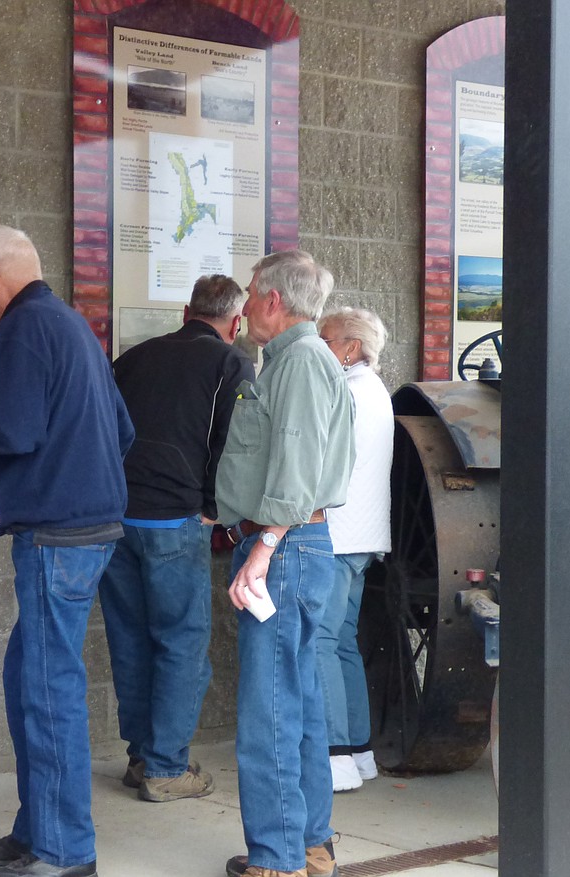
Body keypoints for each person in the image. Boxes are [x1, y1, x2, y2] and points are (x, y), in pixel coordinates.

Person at [0, 226, 134, 877]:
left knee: (47, 689)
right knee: (27, 675)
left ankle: (64, 853)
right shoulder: (71, 326)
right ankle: (38, 829)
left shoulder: (16, 332)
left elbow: (12, 428)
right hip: (90, 529)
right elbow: (123, 428)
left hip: (55, 536)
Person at [217, 250, 355, 877]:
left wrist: (263, 549)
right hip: (297, 544)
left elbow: (295, 470)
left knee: (268, 709)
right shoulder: (308, 358)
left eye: (250, 294)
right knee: (295, 701)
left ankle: (276, 860)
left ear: (274, 300)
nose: (244, 306)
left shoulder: (299, 360)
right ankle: (309, 844)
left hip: (286, 546)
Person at [99, 274, 255, 802]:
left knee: (130, 639)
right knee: (181, 644)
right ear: (235, 323)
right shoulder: (230, 363)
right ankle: (167, 768)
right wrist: (214, 509)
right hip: (175, 521)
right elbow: (233, 446)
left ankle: (141, 757)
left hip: (117, 520)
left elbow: (104, 429)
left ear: (188, 311)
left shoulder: (133, 357)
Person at [314, 308, 394, 791]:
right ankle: (360, 752)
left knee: (322, 642)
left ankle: (335, 757)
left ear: (351, 348)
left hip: (336, 534)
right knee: (343, 641)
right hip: (364, 538)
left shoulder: (343, 392)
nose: (319, 346)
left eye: (325, 339)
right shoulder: (376, 392)